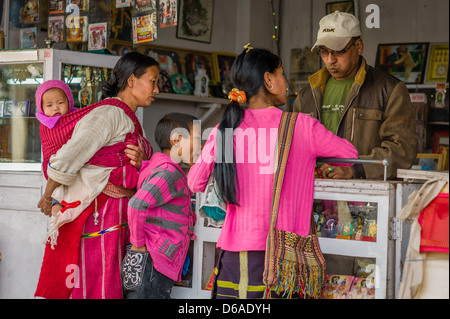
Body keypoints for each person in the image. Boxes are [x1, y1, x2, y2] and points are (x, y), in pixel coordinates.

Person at [187, 46, 358, 299]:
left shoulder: (224, 130)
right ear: (268, 80)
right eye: (282, 75)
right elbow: (350, 154)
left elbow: (195, 182)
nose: (286, 83)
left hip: (236, 258)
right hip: (286, 258)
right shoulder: (302, 126)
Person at [35, 52, 159, 299]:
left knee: (110, 280)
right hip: (99, 213)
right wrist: (48, 196)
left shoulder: (129, 117)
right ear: (132, 81)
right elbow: (68, 157)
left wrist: (142, 159)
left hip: (119, 214)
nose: (157, 89)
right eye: (153, 81)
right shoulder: (107, 115)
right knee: (97, 284)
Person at [292, 11, 417, 180]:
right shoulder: (306, 95)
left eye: (338, 51)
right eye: (323, 52)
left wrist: (355, 169)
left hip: (365, 197)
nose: (330, 59)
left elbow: (402, 150)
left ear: (359, 47)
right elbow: (294, 147)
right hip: (314, 194)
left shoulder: (389, 90)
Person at [122, 112, 199, 299]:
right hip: (151, 263)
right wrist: (138, 244)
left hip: (148, 261)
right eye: (196, 139)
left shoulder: (157, 166)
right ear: (177, 140)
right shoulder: (169, 171)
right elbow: (137, 204)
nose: (200, 145)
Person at [35, 80, 76, 217]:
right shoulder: (45, 125)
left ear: (69, 101)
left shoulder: (77, 117)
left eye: (60, 103)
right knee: (58, 199)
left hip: (75, 167)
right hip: (54, 166)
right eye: (49, 105)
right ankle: (56, 205)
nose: (56, 108)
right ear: (42, 108)